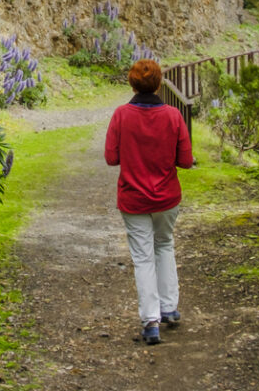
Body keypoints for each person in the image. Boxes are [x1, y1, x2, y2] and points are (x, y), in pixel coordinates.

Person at [104, 58, 194, 346]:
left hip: (133, 198)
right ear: (158, 84)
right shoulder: (173, 116)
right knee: (164, 244)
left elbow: (111, 157)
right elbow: (185, 160)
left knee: (142, 257)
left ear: (132, 83)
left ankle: (150, 321)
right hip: (167, 197)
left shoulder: (121, 115)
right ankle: (169, 307)